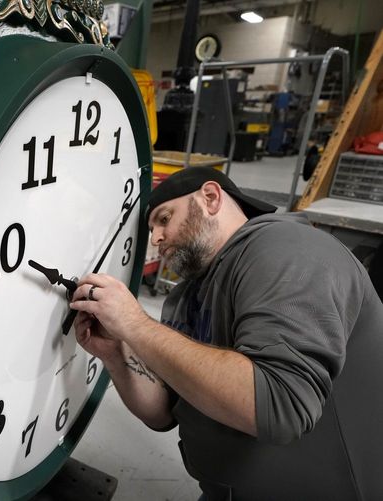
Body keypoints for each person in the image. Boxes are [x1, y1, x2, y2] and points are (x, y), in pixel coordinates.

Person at [70, 166, 383, 500]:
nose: (156, 239)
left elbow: (280, 404)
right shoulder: (186, 297)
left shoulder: (288, 249)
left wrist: (136, 324)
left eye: (164, 218)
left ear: (210, 197)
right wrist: (117, 353)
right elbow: (163, 410)